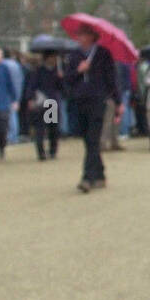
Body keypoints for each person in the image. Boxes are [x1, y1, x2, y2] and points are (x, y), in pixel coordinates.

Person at [65, 27, 122, 190]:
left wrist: (118, 101)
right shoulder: (74, 55)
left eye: (83, 34)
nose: (80, 37)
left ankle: (87, 177)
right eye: (79, 34)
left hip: (97, 100)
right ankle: (100, 173)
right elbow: (67, 79)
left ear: (92, 36)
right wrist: (78, 71)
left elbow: (112, 79)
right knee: (87, 140)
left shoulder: (103, 54)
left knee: (93, 138)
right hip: (79, 100)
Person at [25, 51, 65, 160]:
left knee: (53, 128)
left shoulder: (57, 71)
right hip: (41, 102)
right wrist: (30, 99)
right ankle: (41, 152)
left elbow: (62, 88)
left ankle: (52, 150)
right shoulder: (38, 71)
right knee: (40, 129)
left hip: (52, 102)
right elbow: (32, 86)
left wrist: (61, 79)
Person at [2, 48, 25, 145]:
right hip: (17, 92)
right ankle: (14, 136)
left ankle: (9, 136)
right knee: (13, 115)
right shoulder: (16, 65)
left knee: (7, 116)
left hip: (6, 93)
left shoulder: (2, 65)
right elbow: (21, 79)